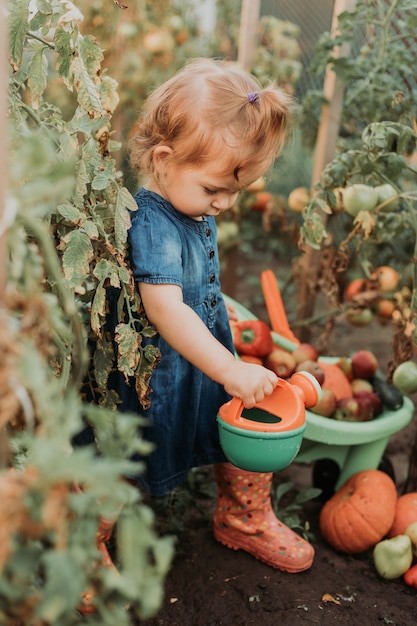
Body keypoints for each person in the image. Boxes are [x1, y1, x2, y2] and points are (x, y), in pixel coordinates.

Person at [118, 58, 314, 573]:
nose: (225, 204)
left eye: (236, 191)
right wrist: (227, 368)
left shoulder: (192, 205)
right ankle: (87, 541)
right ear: (163, 159)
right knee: (117, 460)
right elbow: (165, 309)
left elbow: (196, 287)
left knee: (247, 422)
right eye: (214, 190)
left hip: (203, 358)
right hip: (162, 373)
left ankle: (243, 517)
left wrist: (222, 324)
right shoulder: (152, 223)